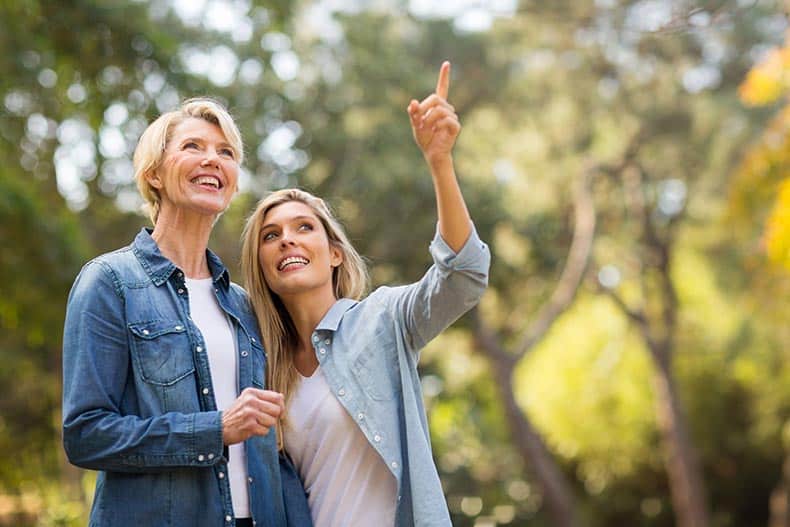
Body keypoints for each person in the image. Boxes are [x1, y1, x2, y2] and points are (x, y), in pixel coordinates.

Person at [240, 62, 490, 526]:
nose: (287, 240)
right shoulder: (262, 368)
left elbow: (463, 275)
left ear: (334, 254)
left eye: (303, 227)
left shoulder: (381, 320)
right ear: (262, 266)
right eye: (270, 236)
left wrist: (440, 162)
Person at [62, 98, 311, 526]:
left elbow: (274, 450)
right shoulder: (110, 282)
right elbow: (85, 435)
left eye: (225, 152)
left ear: (232, 184)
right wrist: (214, 430)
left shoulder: (245, 305)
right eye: (193, 146)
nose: (212, 159)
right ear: (154, 174)